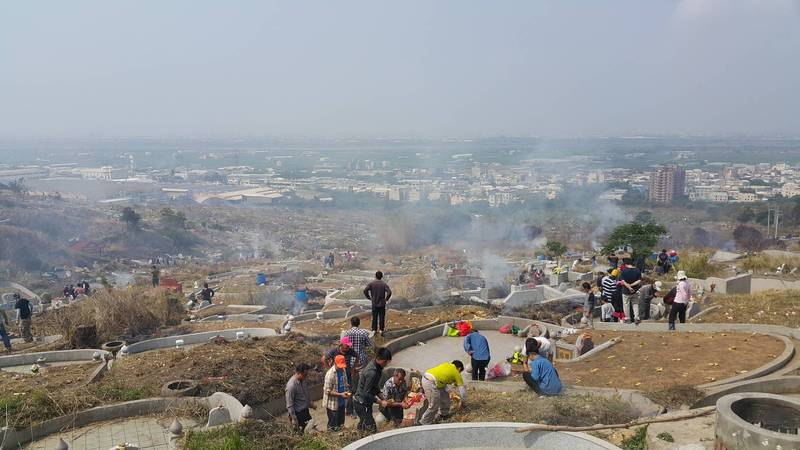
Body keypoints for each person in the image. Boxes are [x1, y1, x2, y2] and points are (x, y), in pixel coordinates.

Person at [353, 347, 393, 433]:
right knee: (371, 428)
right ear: (378, 358)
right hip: (361, 403)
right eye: (385, 361)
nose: (386, 364)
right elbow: (366, 394)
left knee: (364, 424)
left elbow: (374, 387)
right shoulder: (372, 372)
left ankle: (359, 435)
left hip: (365, 402)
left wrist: (382, 397)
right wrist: (381, 402)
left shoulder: (377, 367)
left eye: (387, 362)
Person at [420, 360, 466, 425]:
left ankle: (444, 414)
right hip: (429, 382)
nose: (460, 373)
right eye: (460, 372)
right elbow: (462, 390)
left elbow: (443, 379)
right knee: (434, 404)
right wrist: (463, 401)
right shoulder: (456, 373)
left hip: (430, 378)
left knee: (445, 396)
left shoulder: (446, 365)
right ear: (459, 368)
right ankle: (424, 422)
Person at [342, 317, 373, 416]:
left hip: (349, 363)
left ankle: (349, 409)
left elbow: (343, 346)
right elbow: (369, 345)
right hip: (361, 361)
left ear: (351, 323)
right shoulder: (363, 333)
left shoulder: (347, 333)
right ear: (359, 323)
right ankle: (360, 405)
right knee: (362, 384)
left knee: (350, 386)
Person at [323, 355, 351, 431]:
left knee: (341, 423)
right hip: (333, 404)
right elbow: (327, 391)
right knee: (333, 425)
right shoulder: (330, 374)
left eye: (342, 366)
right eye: (339, 366)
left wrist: (347, 390)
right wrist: (340, 395)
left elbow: (345, 383)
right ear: (335, 363)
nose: (341, 368)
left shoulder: (343, 370)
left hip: (341, 402)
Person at [285, 363, 313, 433]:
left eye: (306, 375)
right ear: (298, 373)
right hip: (298, 414)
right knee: (301, 433)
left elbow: (304, 394)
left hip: (305, 411)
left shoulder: (302, 381)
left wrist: (309, 403)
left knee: (310, 429)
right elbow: (289, 404)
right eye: (304, 375)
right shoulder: (291, 386)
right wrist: (294, 419)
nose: (305, 377)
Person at [363, 271, 392, 335]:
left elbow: (365, 290)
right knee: (381, 317)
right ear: (382, 277)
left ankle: (374, 329)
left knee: (374, 317)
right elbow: (389, 292)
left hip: (374, 303)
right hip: (382, 303)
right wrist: (386, 299)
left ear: (375, 276)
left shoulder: (371, 284)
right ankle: (381, 330)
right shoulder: (384, 284)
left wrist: (369, 297)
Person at [619, 259, 643, 324]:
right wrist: (632, 286)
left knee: (626, 305)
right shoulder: (637, 270)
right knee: (635, 304)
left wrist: (629, 287)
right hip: (635, 290)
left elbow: (623, 281)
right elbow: (639, 280)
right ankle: (636, 317)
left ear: (626, 264)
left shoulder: (623, 271)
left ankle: (628, 318)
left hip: (625, 291)